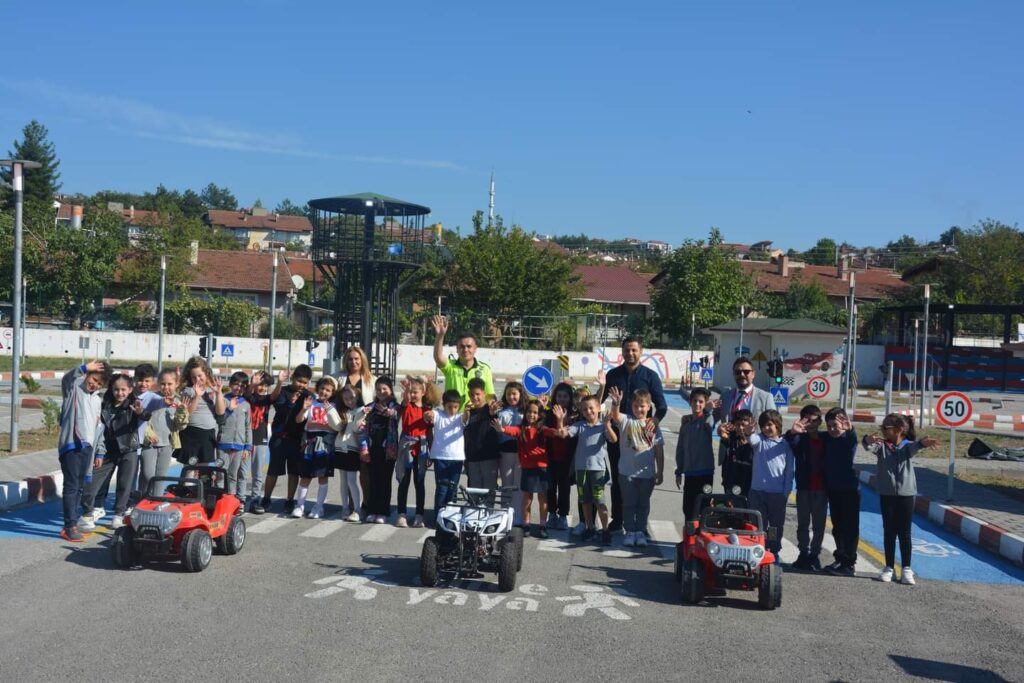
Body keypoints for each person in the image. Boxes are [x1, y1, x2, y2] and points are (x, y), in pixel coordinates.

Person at [600, 337, 667, 532]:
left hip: (642, 437)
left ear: (641, 351)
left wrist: (655, 421)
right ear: (622, 352)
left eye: (634, 350)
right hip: (618, 434)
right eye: (627, 350)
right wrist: (601, 387)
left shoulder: (650, 376)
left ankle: (640, 524)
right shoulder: (613, 375)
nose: (630, 353)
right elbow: (599, 401)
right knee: (618, 478)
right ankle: (618, 519)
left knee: (641, 481)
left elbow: (662, 405)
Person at [863, 414, 938, 586]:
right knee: (889, 530)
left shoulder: (907, 446)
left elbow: (915, 447)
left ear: (899, 430)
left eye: (887, 427)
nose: (883, 430)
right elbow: (868, 446)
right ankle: (889, 567)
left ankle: (906, 568)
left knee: (905, 532)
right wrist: (867, 439)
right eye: (882, 427)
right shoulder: (881, 446)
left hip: (907, 494)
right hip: (887, 494)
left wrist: (922, 443)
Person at [78, 374, 150, 530]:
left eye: (123, 389)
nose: (120, 393)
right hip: (107, 450)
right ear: (111, 389)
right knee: (93, 482)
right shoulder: (104, 404)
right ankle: (91, 511)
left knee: (125, 484)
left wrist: (140, 413)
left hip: (128, 449)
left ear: (130, 390)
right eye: (116, 389)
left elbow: (146, 415)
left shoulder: (134, 405)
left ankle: (119, 514)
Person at [56, 360, 111, 542]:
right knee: (71, 487)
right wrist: (83, 368)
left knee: (79, 487)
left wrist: (99, 452)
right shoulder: (74, 389)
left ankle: (72, 522)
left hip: (87, 448)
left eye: (99, 383)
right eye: (93, 379)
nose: (94, 384)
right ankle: (69, 526)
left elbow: (98, 428)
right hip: (71, 446)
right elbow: (66, 379)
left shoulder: (97, 400)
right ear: (87, 375)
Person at [552, 395, 617, 545]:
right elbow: (562, 434)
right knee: (585, 501)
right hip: (581, 470)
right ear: (581, 411)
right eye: (585, 409)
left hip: (598, 471)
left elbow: (614, 439)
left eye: (591, 408)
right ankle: (590, 528)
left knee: (599, 501)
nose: (588, 411)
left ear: (598, 408)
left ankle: (605, 530)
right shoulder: (579, 425)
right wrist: (560, 420)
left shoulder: (602, 426)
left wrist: (607, 425)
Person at [607, 386, 664, 547]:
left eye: (642, 406)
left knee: (643, 504)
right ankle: (630, 531)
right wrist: (616, 403)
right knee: (629, 504)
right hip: (627, 473)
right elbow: (615, 416)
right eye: (636, 406)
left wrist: (660, 472)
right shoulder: (626, 421)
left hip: (647, 475)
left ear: (649, 407)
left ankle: (640, 531)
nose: (639, 409)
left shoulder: (653, 425)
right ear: (631, 406)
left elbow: (659, 451)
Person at [258, 364, 313, 513]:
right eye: (299, 381)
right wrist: (291, 403)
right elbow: (280, 409)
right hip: (279, 438)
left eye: (305, 382)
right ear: (293, 378)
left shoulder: (308, 396)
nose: (301, 385)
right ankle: (266, 498)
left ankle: (290, 500)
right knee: (273, 470)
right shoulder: (283, 391)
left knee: (294, 472)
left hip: (296, 440)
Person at [746, 409, 795, 564]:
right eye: (763, 426)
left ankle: (773, 551)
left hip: (777, 493)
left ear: (778, 425)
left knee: (775, 526)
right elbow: (752, 440)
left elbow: (789, 470)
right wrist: (749, 432)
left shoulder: (785, 444)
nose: (766, 428)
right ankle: (758, 548)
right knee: (757, 523)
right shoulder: (759, 441)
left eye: (769, 425)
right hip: (757, 491)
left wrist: (786, 490)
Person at [498, 398, 551, 538]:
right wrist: (502, 429)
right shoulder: (521, 428)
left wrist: (560, 430)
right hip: (527, 468)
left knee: (543, 498)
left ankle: (543, 525)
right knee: (527, 498)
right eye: (529, 412)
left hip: (542, 468)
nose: (531, 415)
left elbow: (552, 432)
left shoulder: (542, 429)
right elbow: (511, 431)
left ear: (540, 415)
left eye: (535, 412)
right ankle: (526, 525)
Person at [787, 404, 829, 571]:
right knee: (803, 523)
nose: (811, 424)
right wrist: (794, 432)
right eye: (807, 420)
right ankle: (803, 552)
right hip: (804, 488)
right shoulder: (799, 439)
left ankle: (814, 555)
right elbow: (790, 441)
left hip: (822, 489)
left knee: (819, 525)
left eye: (814, 420)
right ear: (801, 421)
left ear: (820, 422)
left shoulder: (826, 438)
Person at [713, 357, 774, 468]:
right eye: (738, 372)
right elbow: (712, 420)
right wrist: (719, 429)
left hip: (755, 453)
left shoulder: (766, 397)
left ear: (753, 374)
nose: (742, 374)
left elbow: (774, 427)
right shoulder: (725, 396)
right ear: (734, 374)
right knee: (729, 479)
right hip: (730, 452)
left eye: (746, 371)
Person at [293, 376, 340, 519]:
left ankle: (319, 507)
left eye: (328, 390)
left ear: (333, 393)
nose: (324, 392)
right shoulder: (311, 403)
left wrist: (321, 425)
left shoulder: (334, 406)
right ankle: (300, 505)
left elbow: (336, 427)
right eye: (322, 388)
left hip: (325, 443)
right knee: (305, 476)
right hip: (309, 442)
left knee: (322, 476)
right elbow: (299, 420)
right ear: (317, 388)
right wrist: (303, 409)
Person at [821, 408, 860, 576]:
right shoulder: (827, 438)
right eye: (829, 426)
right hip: (833, 489)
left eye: (835, 425)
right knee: (837, 527)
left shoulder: (848, 438)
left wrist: (850, 429)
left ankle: (849, 563)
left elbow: (852, 437)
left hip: (850, 490)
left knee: (850, 527)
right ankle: (840, 558)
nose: (832, 429)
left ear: (843, 424)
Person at [395, 376, 437, 528]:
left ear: (423, 392)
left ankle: (419, 514)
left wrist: (431, 451)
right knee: (404, 481)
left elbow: (430, 433)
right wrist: (406, 390)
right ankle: (401, 514)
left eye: (415, 392)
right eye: (410, 392)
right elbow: (405, 400)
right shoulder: (407, 406)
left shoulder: (428, 410)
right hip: (406, 446)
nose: (412, 395)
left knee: (419, 482)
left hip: (422, 448)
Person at [138, 368, 184, 499]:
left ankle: (156, 499)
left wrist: (182, 412)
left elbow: (180, 425)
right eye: (163, 384)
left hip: (167, 444)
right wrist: (149, 434)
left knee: (161, 476)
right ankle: (142, 497)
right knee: (148, 474)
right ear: (158, 384)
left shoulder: (178, 402)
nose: (166, 387)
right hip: (149, 444)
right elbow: (143, 419)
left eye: (170, 384)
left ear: (176, 384)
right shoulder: (153, 398)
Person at [432, 314, 494, 408]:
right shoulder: (450, 366)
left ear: (475, 348)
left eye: (469, 346)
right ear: (456, 349)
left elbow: (490, 396)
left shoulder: (485, 369)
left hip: (476, 415)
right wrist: (440, 336)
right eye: (462, 347)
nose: (465, 350)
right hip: (453, 415)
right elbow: (438, 357)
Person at [360, 377, 400, 523]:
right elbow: (363, 428)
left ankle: (383, 511)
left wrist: (389, 412)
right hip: (372, 448)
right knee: (373, 480)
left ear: (390, 390)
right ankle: (372, 510)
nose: (381, 392)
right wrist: (364, 448)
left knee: (385, 481)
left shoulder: (395, 406)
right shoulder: (370, 407)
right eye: (378, 389)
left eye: (385, 389)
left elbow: (397, 414)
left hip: (388, 450)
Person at [424, 389, 468, 517]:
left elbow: (466, 419)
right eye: (449, 407)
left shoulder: (460, 417)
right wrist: (428, 415)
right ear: (444, 405)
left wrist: (467, 413)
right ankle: (438, 515)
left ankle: (451, 515)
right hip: (440, 457)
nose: (453, 410)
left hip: (457, 459)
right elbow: (429, 414)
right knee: (442, 488)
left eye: (455, 407)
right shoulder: (438, 414)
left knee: (453, 488)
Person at [675, 387, 716, 521]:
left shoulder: (707, 419)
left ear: (705, 404)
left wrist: (708, 411)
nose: (697, 404)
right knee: (688, 508)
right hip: (690, 473)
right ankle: (689, 533)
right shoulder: (686, 424)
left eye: (701, 402)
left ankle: (701, 533)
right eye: (694, 401)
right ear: (690, 402)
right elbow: (680, 448)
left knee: (703, 508)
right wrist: (679, 471)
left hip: (705, 472)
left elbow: (710, 424)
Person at [178, 356, 226, 466]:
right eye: (194, 377)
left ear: (207, 373)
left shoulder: (213, 390)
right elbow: (187, 413)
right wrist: (197, 396)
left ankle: (204, 479)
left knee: (204, 469)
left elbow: (220, 412)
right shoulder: (188, 391)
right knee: (190, 469)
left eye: (200, 376)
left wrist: (219, 393)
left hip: (208, 435)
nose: (197, 379)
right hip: (191, 434)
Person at [333, 385, 369, 522]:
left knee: (351, 481)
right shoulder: (342, 411)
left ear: (357, 395)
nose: (350, 401)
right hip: (340, 448)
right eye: (346, 399)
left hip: (353, 449)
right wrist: (330, 411)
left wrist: (361, 414)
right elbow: (336, 426)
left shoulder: (362, 410)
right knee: (343, 481)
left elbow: (355, 428)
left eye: (352, 397)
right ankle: (345, 507)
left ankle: (357, 509)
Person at [545, 382, 577, 531]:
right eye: (559, 396)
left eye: (565, 396)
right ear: (555, 397)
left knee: (564, 488)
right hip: (550, 456)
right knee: (550, 487)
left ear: (570, 398)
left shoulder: (574, 415)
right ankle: (552, 514)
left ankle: (563, 515)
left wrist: (562, 419)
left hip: (567, 458)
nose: (562, 399)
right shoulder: (548, 414)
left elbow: (565, 434)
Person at [218, 371, 253, 504]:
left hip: (239, 446)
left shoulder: (246, 405)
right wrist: (229, 409)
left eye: (242, 386)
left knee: (233, 475)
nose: (239, 388)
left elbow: (248, 427)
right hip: (223, 444)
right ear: (230, 384)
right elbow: (219, 420)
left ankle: (231, 502)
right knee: (221, 474)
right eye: (236, 384)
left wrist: (247, 447)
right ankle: (219, 500)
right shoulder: (223, 400)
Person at [244, 371, 274, 514]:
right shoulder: (248, 397)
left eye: (266, 386)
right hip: (245, 438)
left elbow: (275, 395)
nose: (263, 388)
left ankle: (255, 500)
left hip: (261, 437)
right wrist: (252, 384)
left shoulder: (267, 399)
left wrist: (280, 382)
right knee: (242, 472)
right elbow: (247, 394)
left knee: (257, 472)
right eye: (260, 385)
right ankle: (239, 499)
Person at [463, 378, 500, 491]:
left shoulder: (491, 409)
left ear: (484, 393)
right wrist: (465, 416)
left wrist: (493, 414)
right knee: (474, 493)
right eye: (472, 395)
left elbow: (496, 423)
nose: (475, 397)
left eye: (478, 394)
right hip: (472, 457)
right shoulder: (469, 412)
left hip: (489, 457)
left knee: (489, 491)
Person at [496, 381, 524, 522]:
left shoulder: (525, 411)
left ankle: (518, 515)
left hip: (521, 452)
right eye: (508, 394)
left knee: (519, 485)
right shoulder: (501, 412)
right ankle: (504, 514)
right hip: (505, 451)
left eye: (514, 394)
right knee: (506, 483)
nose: (511, 397)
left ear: (520, 394)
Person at [720, 409, 755, 496]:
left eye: (744, 425)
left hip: (749, 487)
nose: (741, 428)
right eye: (738, 425)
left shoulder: (756, 443)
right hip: (731, 485)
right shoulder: (732, 439)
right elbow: (722, 433)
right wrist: (720, 428)